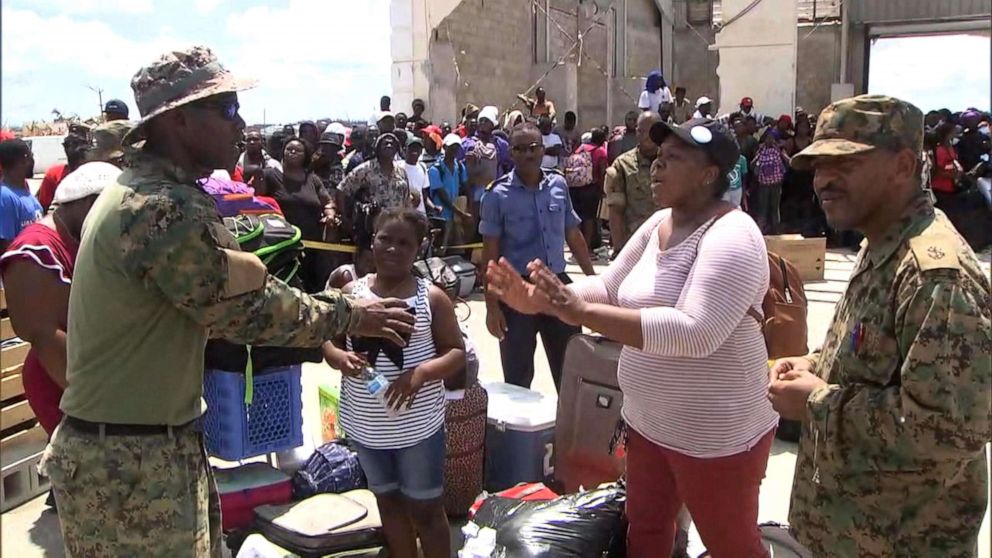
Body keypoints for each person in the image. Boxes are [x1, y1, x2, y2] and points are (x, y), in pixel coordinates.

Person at [39, 46, 416, 557]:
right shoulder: (161, 208)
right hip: (129, 462)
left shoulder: (152, 195)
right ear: (178, 121)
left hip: (146, 448)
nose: (240, 125)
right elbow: (246, 310)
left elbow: (241, 283)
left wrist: (251, 273)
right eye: (227, 110)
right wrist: (349, 313)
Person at [487, 118, 776, 558]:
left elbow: (696, 332)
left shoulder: (733, 235)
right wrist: (541, 302)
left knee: (731, 545)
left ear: (710, 174)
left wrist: (581, 312)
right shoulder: (659, 221)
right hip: (648, 424)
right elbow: (608, 288)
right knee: (646, 533)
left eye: (673, 159)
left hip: (714, 435)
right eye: (657, 158)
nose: (657, 167)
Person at [768, 94, 991, 557]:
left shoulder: (935, 273)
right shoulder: (881, 244)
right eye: (819, 167)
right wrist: (812, 364)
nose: (823, 181)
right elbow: (871, 362)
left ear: (903, 166)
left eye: (843, 163)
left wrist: (817, 401)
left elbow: (951, 428)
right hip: (845, 534)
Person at [323, 208, 464, 558]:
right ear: (372, 241)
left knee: (427, 511)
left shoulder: (431, 298)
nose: (392, 249)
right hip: (366, 428)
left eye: (404, 243)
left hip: (418, 431)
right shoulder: (350, 293)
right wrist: (339, 359)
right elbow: (327, 341)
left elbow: (456, 352)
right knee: (388, 505)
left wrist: (419, 375)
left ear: (419, 248)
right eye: (385, 239)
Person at [1, 162, 122, 452]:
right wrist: (97, 405)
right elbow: (46, 336)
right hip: (62, 381)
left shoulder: (82, 238)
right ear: (90, 204)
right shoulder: (35, 250)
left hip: (91, 375)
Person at [479, 121, 595, 391]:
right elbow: (490, 256)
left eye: (533, 148)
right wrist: (492, 307)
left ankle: (569, 431)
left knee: (570, 372)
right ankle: (521, 434)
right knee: (517, 376)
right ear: (511, 154)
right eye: (520, 149)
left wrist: (594, 281)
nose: (528, 155)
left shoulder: (558, 184)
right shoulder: (497, 195)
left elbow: (574, 236)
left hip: (557, 287)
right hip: (516, 293)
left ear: (543, 150)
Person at [604, 112, 662, 252]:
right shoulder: (623, 164)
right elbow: (615, 211)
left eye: (652, 131)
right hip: (635, 245)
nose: (647, 136)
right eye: (643, 131)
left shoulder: (673, 161)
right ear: (637, 132)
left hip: (669, 244)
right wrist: (619, 249)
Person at [462, 105, 513, 226]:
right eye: (481, 120)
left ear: (493, 124)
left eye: (487, 121)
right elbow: (458, 166)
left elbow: (511, 163)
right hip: (473, 191)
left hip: (495, 189)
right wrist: (467, 160)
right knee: (474, 223)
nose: (483, 123)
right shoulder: (468, 143)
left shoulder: (500, 144)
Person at [428, 134, 471, 250]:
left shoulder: (460, 167)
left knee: (458, 249)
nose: (454, 150)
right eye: (452, 147)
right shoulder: (435, 169)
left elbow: (466, 187)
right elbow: (443, 197)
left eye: (457, 147)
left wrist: (468, 209)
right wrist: (461, 213)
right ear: (445, 147)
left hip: (456, 216)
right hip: (442, 217)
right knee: (441, 249)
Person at [571, 127, 609, 250]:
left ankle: (576, 249)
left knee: (577, 219)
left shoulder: (580, 148)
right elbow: (602, 172)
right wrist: (603, 190)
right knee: (589, 219)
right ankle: (586, 249)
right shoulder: (600, 151)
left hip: (574, 187)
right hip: (590, 189)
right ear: (602, 139)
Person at [0, 139, 41, 252]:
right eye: (31, 156)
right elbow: (5, 248)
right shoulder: (4, 197)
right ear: (24, 159)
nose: (33, 160)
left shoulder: (25, 193)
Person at [36, 131, 91, 212]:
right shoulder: (54, 173)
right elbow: (43, 206)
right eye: (67, 145)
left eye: (76, 144)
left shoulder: (93, 173)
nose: (71, 149)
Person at [751, 128, 790, 233]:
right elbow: (752, 164)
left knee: (775, 208)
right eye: (767, 138)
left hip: (776, 184)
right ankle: (760, 231)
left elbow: (788, 161)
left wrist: (781, 151)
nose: (769, 140)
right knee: (763, 208)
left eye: (771, 138)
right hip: (763, 184)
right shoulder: (761, 150)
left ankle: (776, 230)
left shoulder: (779, 150)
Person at [930, 122, 962, 202]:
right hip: (941, 188)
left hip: (951, 187)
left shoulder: (950, 148)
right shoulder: (940, 150)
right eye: (954, 133)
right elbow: (938, 170)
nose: (956, 135)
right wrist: (953, 174)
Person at [403, 136, 433, 216]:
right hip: (404, 215)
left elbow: (424, 194)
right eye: (412, 147)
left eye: (417, 148)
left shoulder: (422, 167)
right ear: (404, 149)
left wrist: (433, 206)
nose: (415, 150)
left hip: (420, 215)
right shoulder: (398, 167)